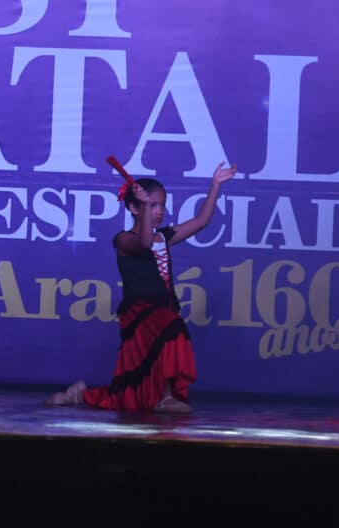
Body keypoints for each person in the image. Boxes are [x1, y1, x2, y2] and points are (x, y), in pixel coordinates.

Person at [47, 162, 238, 413]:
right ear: (133, 208)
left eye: (161, 205)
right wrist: (145, 204)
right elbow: (145, 243)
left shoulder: (164, 236)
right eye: (152, 205)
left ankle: (82, 394)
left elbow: (201, 221)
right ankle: (167, 397)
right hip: (140, 312)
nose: (159, 211)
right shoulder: (123, 239)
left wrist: (215, 185)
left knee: (136, 385)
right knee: (173, 326)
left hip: (163, 309)